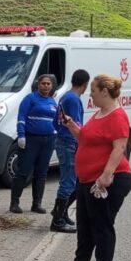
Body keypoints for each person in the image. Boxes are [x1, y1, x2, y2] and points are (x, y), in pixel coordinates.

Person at [57, 74, 131, 261]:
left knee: (101, 224)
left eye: (94, 90)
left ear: (105, 92)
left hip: (108, 180)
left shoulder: (117, 116)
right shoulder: (100, 113)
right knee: (85, 223)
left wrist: (106, 175)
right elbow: (88, 139)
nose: (90, 94)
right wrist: (72, 127)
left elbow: (119, 147)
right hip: (87, 179)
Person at [10, 73, 59, 214]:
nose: (46, 86)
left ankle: (36, 204)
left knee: (42, 173)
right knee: (23, 172)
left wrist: (56, 133)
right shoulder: (30, 99)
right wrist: (21, 135)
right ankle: (14, 202)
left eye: (48, 84)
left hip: (48, 140)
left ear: (52, 86)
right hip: (31, 139)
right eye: (43, 83)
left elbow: (55, 121)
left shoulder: (52, 101)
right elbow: (21, 117)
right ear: (38, 84)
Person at [50, 69, 90, 233]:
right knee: (69, 180)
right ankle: (57, 220)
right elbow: (75, 125)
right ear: (85, 84)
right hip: (69, 141)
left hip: (64, 139)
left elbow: (55, 122)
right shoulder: (73, 99)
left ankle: (62, 211)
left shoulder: (66, 96)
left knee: (77, 179)